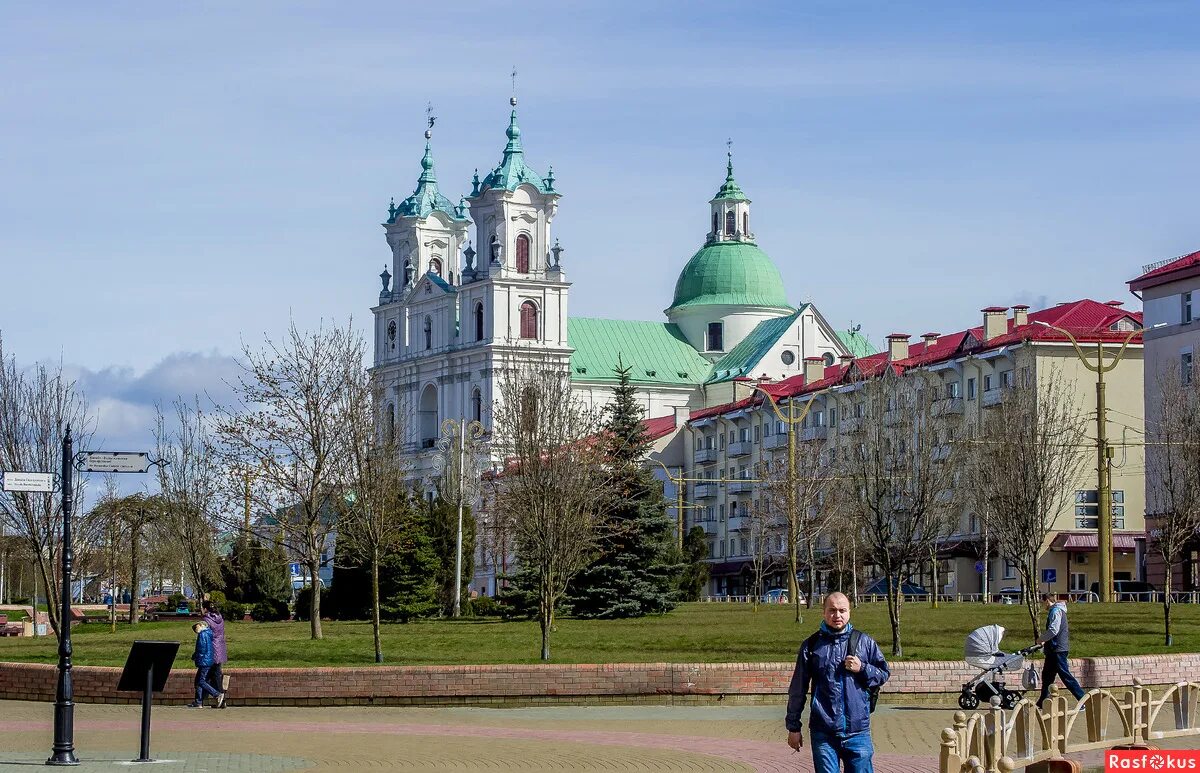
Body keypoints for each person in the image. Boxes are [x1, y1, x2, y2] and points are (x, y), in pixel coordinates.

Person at [786, 592, 890, 773]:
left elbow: (883, 673)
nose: (837, 615)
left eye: (842, 610)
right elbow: (798, 689)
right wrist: (793, 727)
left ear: (849, 612)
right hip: (823, 732)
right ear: (823, 613)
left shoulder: (864, 642)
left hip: (858, 730)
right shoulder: (811, 646)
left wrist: (863, 668)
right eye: (832, 610)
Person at [1035, 593, 1085, 709]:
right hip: (1053, 650)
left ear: (1047, 601)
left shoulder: (1056, 611)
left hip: (1058, 649)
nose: (1043, 606)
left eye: (1043, 603)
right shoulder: (1057, 611)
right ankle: (1042, 701)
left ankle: (1083, 700)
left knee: (1065, 675)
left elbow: (1054, 630)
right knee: (1047, 676)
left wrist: (1041, 639)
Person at [189, 621, 223, 708]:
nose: (195, 630)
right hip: (207, 660)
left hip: (204, 661)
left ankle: (217, 694)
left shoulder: (202, 634)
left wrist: (196, 658)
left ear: (201, 625)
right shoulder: (208, 634)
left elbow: (201, 649)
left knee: (201, 681)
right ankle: (198, 702)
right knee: (198, 681)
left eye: (196, 627)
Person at [201, 600, 228, 708]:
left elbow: (205, 636)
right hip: (220, 647)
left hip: (211, 649)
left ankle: (219, 698)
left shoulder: (206, 620)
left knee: (213, 675)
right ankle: (204, 700)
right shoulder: (219, 618)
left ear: (205, 609)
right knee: (215, 674)